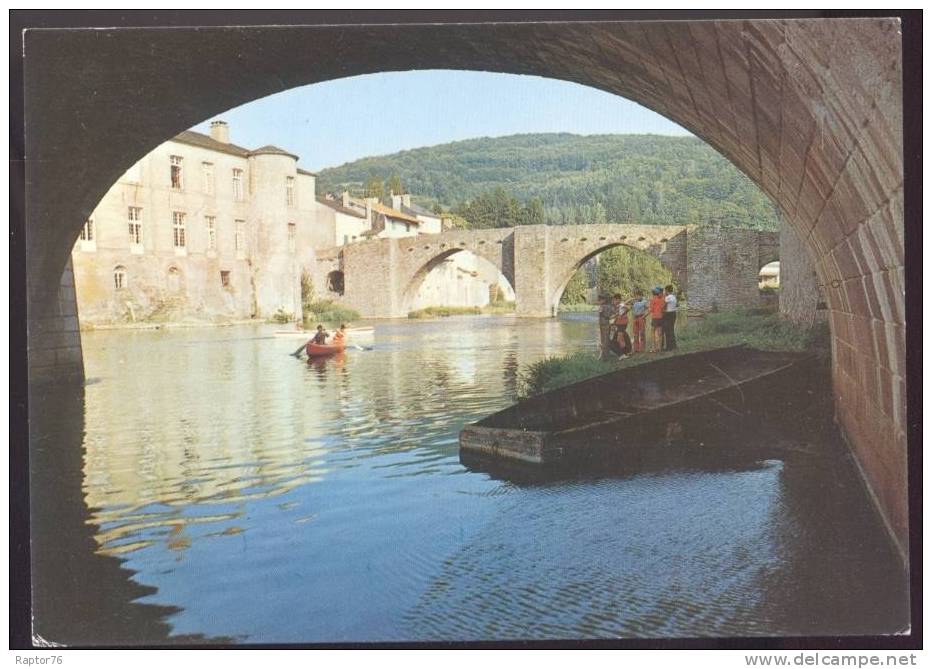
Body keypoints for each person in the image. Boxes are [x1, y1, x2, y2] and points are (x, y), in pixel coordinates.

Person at [610, 293, 632, 359]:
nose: (613, 302)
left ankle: (624, 353)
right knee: (617, 339)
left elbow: (628, 308)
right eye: (613, 300)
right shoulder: (616, 306)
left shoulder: (621, 304)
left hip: (622, 323)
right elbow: (617, 315)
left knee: (620, 339)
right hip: (618, 323)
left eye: (614, 300)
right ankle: (625, 352)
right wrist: (613, 323)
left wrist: (624, 307)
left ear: (618, 300)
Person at [630, 289, 648, 353]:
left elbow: (648, 309)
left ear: (641, 295)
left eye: (637, 295)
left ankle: (642, 348)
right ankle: (636, 348)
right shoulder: (634, 302)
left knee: (642, 333)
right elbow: (630, 308)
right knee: (635, 334)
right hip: (635, 318)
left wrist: (644, 316)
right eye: (635, 295)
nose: (636, 297)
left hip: (641, 317)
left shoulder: (644, 301)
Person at [649, 286, 665, 352]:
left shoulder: (652, 299)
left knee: (653, 332)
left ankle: (653, 348)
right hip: (661, 317)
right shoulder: (663, 299)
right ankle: (659, 348)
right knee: (660, 333)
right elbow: (663, 308)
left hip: (655, 318)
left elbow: (651, 309)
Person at [597, 294, 613, 359]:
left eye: (600, 300)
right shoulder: (609, 306)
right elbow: (612, 314)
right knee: (606, 338)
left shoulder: (602, 306)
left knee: (604, 339)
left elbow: (600, 312)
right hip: (607, 323)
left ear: (604, 300)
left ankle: (604, 356)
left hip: (603, 323)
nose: (599, 301)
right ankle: (606, 354)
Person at [662, 284, 678, 351]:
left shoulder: (667, 297)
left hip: (668, 314)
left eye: (665, 290)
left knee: (667, 331)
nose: (664, 292)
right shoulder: (674, 297)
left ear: (667, 290)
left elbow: (664, 306)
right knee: (671, 330)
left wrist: (662, 310)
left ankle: (668, 347)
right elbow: (676, 305)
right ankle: (674, 346)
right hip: (674, 313)